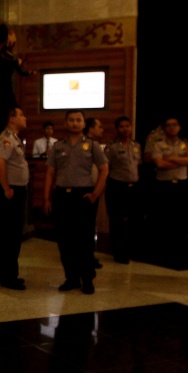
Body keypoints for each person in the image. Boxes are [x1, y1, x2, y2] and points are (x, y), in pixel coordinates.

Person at [44, 109, 108, 294]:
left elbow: (104, 168)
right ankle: (71, 278)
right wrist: (47, 198)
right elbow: (50, 173)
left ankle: (87, 279)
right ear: (66, 123)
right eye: (71, 120)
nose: (74, 123)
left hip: (83, 196)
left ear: (83, 123)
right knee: (65, 240)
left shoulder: (92, 145)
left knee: (85, 240)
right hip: (62, 196)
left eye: (78, 120)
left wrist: (96, 193)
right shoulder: (58, 146)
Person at [147, 116, 188, 258]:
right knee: (164, 216)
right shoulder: (158, 145)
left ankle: (179, 246)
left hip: (181, 185)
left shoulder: (186, 144)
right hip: (164, 185)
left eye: (174, 125)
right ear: (164, 128)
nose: (172, 127)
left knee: (181, 216)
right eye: (168, 125)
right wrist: (182, 161)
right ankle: (165, 246)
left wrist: (173, 158)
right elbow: (159, 164)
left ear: (179, 127)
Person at [0, 106, 28, 290]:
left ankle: (5, 274)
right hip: (9, 191)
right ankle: (8, 277)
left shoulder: (14, 138)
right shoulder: (6, 139)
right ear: (12, 119)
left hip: (14, 190)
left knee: (11, 235)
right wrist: (6, 188)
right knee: (11, 235)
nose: (25, 118)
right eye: (21, 115)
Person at [104, 116, 142, 264]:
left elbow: (138, 165)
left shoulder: (136, 145)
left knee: (134, 220)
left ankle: (132, 249)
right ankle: (119, 252)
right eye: (122, 126)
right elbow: (106, 167)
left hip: (134, 187)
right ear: (117, 129)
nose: (125, 129)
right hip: (117, 186)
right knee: (117, 221)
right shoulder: (112, 147)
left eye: (128, 126)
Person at [83, 117, 107, 270]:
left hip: (93, 188)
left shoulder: (95, 144)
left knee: (90, 225)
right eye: (99, 126)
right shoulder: (85, 144)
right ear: (91, 128)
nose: (102, 129)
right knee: (85, 226)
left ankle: (88, 255)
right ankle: (85, 257)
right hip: (84, 188)